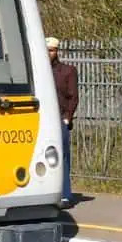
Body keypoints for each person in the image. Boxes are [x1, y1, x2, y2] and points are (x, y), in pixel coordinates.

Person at [47, 37, 78, 208]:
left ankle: (65, 194)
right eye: (46, 50)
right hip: (44, 118)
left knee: (63, 155)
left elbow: (73, 97)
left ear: (57, 51)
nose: (48, 53)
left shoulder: (67, 71)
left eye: (51, 50)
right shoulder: (38, 70)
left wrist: (67, 118)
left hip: (60, 118)